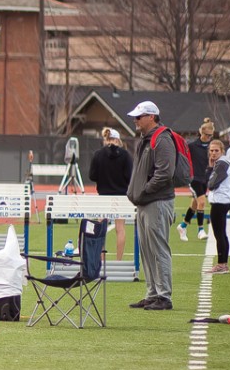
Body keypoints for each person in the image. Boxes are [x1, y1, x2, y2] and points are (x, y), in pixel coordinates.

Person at [125, 101, 177, 310]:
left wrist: (144, 190)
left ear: (151, 117)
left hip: (157, 201)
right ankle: (153, 293)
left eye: (139, 116)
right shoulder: (146, 139)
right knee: (146, 250)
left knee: (158, 250)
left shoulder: (162, 139)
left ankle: (164, 296)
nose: (135, 120)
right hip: (145, 202)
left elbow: (165, 173)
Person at [87, 126, 133, 258]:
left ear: (106, 139)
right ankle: (119, 261)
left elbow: (92, 176)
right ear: (118, 140)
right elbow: (130, 177)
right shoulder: (125, 155)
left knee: (101, 229)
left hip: (103, 196)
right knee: (120, 229)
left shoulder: (98, 154)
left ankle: (101, 261)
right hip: (121, 196)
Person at [178, 119, 215, 243]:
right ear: (201, 133)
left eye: (211, 135)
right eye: (207, 135)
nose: (209, 137)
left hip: (205, 178)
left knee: (195, 204)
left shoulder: (211, 147)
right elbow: (183, 158)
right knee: (202, 202)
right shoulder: (192, 146)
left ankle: (183, 226)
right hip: (194, 178)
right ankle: (200, 230)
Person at [204, 138, 230, 275]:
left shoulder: (221, 164)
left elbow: (211, 184)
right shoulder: (222, 163)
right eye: (211, 150)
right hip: (222, 201)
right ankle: (224, 264)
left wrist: (210, 169)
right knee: (222, 234)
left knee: (219, 234)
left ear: (222, 151)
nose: (213, 153)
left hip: (219, 202)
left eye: (216, 150)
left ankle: (221, 264)